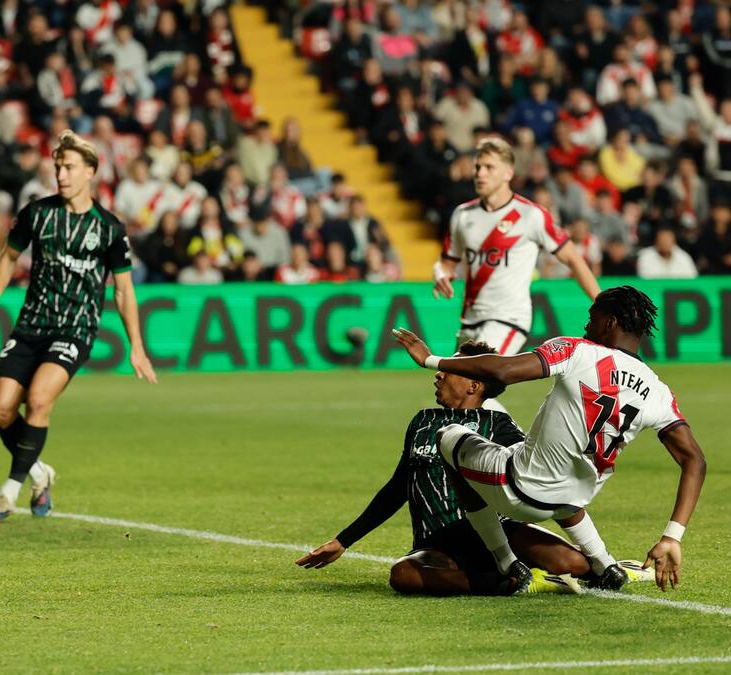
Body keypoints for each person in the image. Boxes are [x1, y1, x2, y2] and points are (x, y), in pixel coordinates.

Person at [392, 286, 706, 593]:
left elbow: (503, 370)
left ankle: (506, 562)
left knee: (447, 436)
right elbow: (695, 460)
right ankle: (604, 563)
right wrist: (672, 536)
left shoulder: (578, 350)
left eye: (592, 317)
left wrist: (431, 360)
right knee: (563, 463)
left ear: (610, 323)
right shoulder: (659, 393)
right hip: (573, 499)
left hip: (517, 488)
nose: (587, 325)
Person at [298, 341, 597, 596]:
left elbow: (534, 474)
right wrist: (344, 540)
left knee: (577, 565)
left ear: (474, 384)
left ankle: (600, 566)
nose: (438, 375)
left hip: (501, 530)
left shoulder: (498, 425)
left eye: (450, 370)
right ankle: (506, 583)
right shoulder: (422, 422)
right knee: (403, 575)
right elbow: (398, 487)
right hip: (439, 539)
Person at [0, 130, 157, 522]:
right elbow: (8, 259)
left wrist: (136, 346)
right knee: (0, 406)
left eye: (70, 167)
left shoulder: (109, 228)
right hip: (31, 324)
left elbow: (123, 291)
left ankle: (7, 494)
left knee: (38, 401)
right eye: (58, 167)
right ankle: (40, 472)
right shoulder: (38, 214)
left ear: (91, 171)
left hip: (75, 328)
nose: (61, 175)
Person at [434, 137, 600, 356]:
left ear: (508, 173)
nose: (480, 173)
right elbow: (447, 262)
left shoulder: (530, 215)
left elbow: (572, 258)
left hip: (508, 319)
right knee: (452, 388)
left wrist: (602, 304)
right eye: (477, 167)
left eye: (489, 167)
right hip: (470, 320)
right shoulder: (462, 215)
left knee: (466, 381)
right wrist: (440, 274)